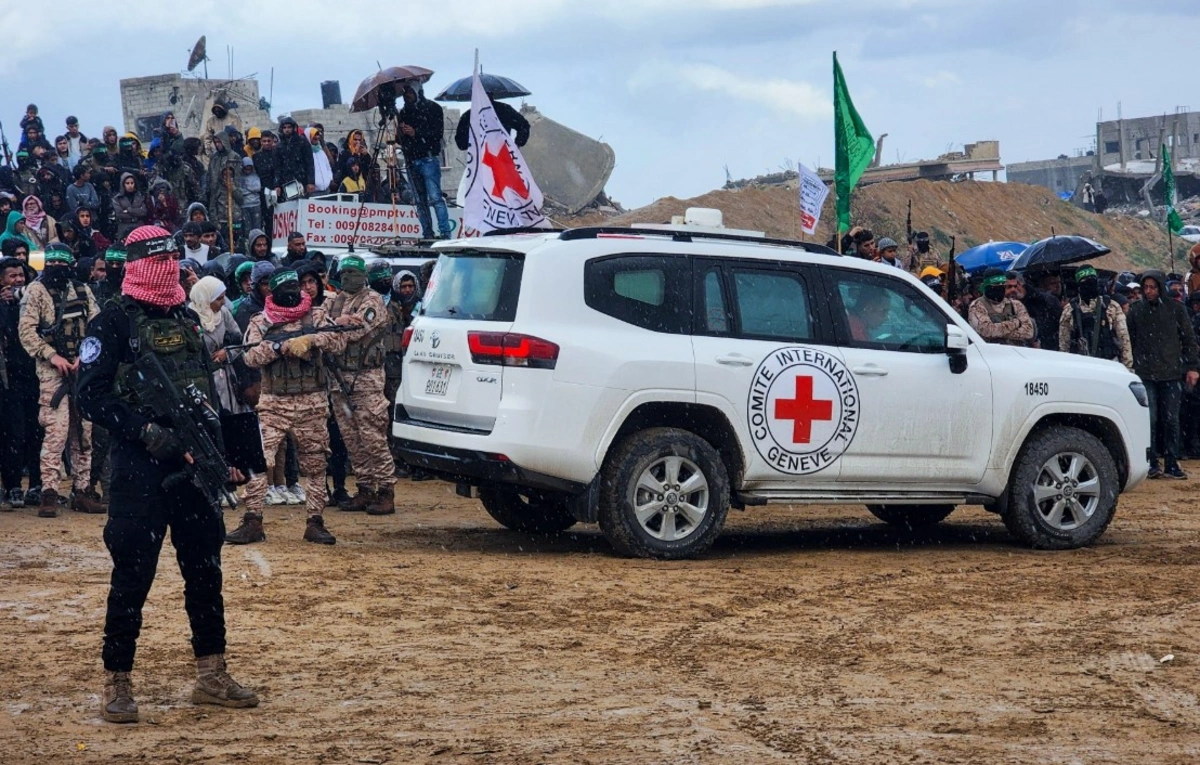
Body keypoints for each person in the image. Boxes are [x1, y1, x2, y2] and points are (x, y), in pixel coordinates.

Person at [76, 224, 258, 723]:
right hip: (139, 467)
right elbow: (89, 396)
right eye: (158, 263)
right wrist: (142, 430)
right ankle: (117, 681)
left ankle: (212, 673)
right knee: (133, 574)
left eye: (171, 263)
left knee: (205, 570)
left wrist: (227, 454)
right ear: (137, 265)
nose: (166, 274)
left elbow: (204, 393)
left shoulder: (185, 317)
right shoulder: (112, 322)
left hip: (194, 465)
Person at [225, 269, 347, 545]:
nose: (294, 293)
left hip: (312, 403)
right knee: (258, 462)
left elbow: (339, 341)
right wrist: (279, 349)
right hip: (274, 404)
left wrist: (312, 339)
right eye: (287, 288)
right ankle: (252, 520)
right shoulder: (262, 321)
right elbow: (250, 356)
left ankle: (315, 521)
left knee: (315, 465)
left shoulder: (315, 316)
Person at [17, 244, 103, 514]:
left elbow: (97, 327)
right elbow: (27, 331)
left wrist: (83, 358)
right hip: (51, 371)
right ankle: (49, 492)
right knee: (56, 432)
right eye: (51, 263)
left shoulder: (82, 290)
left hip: (82, 368)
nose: (56, 268)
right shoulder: (36, 290)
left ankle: (82, 489)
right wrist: (53, 356)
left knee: (84, 433)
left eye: (61, 263)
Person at [324, 256, 395, 514]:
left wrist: (334, 328)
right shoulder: (336, 301)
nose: (347, 277)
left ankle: (386, 490)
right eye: (344, 272)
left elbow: (354, 331)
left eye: (353, 272)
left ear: (363, 275)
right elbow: (321, 326)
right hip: (339, 379)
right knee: (351, 437)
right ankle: (365, 488)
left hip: (367, 379)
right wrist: (335, 325)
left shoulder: (372, 300)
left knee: (373, 436)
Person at [1126, 270, 1200, 480]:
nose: (1148, 291)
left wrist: (1193, 367)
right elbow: (1128, 340)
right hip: (1145, 372)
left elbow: (1188, 339)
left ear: (1160, 287)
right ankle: (1150, 463)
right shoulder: (1136, 311)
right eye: (1145, 288)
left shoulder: (1176, 309)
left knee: (1171, 420)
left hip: (1171, 373)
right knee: (1150, 419)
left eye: (1152, 287)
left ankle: (1171, 462)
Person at [0, 257, 43, 508]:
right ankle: (13, 486)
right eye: (12, 276)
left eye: (20, 275)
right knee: (12, 435)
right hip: (8, 379)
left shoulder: (32, 299)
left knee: (36, 432)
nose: (18, 280)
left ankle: (36, 485)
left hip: (34, 374)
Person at [397, 83, 453, 240]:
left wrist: (416, 133)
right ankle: (427, 233)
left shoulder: (432, 108)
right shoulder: (404, 112)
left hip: (427, 158)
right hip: (411, 160)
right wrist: (400, 132)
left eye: (408, 91)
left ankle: (445, 233)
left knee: (435, 198)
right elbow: (400, 141)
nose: (405, 94)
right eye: (404, 91)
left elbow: (437, 134)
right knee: (419, 202)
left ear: (416, 91)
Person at [1058, 266, 1132, 369]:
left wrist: (1127, 369)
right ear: (1079, 285)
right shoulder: (1070, 310)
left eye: (1092, 280)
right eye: (1084, 281)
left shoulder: (1111, 306)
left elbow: (1124, 340)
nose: (1089, 284)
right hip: (1080, 367)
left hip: (1109, 365)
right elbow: (1064, 345)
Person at [968, 269, 1035, 346]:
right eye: (995, 284)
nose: (999, 288)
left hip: (1016, 353)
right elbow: (987, 331)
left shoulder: (1015, 304)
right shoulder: (977, 305)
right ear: (986, 286)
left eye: (1002, 284)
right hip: (990, 354)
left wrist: (999, 333)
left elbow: (1029, 332)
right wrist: (1016, 323)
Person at [1007, 271, 1061, 351]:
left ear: (1020, 284)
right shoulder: (1007, 305)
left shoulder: (1045, 301)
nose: (1012, 290)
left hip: (1048, 349)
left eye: (1014, 286)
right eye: (1008, 287)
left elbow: (1057, 327)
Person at [454, 95, 530, 150]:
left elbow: (461, 144)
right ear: (492, 94)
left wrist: (474, 144)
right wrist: (517, 144)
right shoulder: (504, 109)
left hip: (481, 161)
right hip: (503, 156)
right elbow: (524, 125)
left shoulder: (469, 115)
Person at [275, 117, 315, 200]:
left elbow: (309, 163)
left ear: (294, 128)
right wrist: (277, 185)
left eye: (289, 127)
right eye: (284, 127)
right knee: (290, 209)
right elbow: (277, 167)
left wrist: (310, 182)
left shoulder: (302, 142)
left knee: (303, 206)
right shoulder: (279, 146)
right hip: (286, 182)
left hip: (302, 180)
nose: (287, 130)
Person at [234, 260, 274, 332]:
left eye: (272, 283)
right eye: (265, 284)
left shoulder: (282, 301)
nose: (269, 288)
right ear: (256, 286)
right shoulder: (245, 310)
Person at [202, 99, 244, 163]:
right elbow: (207, 138)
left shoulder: (234, 119)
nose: (217, 111)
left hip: (232, 151)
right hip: (216, 152)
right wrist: (209, 152)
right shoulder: (211, 121)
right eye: (215, 110)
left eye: (219, 109)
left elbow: (240, 135)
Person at [112, 173, 149, 242]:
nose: (130, 185)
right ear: (123, 184)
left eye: (132, 183)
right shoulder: (117, 198)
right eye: (127, 183)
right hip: (124, 226)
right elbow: (119, 214)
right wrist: (136, 211)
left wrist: (129, 210)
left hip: (138, 226)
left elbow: (143, 211)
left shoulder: (139, 196)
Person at [239, 157, 263, 235]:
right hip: (244, 205)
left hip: (255, 203)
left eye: (249, 169)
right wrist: (250, 189)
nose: (247, 171)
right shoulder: (239, 177)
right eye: (246, 169)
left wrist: (248, 188)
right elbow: (240, 190)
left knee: (257, 226)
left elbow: (257, 188)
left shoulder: (255, 176)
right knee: (247, 227)